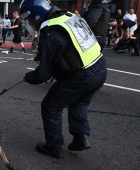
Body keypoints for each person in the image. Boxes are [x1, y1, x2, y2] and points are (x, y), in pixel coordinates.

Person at [20, 0, 107, 158]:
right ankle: (80, 138)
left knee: (50, 107)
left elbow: (44, 73)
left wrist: (29, 77)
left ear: (37, 14)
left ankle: (53, 146)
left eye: (30, 20)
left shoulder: (50, 30)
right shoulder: (68, 16)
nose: (30, 24)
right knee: (78, 101)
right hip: (100, 68)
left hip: (81, 75)